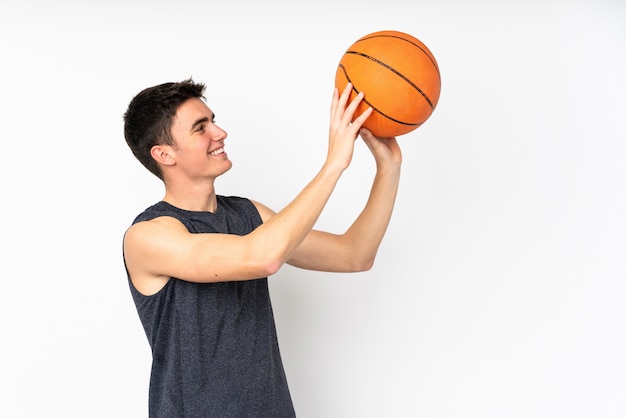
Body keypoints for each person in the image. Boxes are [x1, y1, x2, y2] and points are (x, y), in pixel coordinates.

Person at [122, 78, 402, 417]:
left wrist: (389, 169)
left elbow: (354, 255)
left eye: (213, 120)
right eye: (200, 128)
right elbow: (261, 258)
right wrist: (334, 164)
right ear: (164, 154)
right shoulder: (148, 236)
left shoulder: (249, 215)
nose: (220, 132)